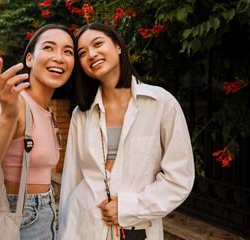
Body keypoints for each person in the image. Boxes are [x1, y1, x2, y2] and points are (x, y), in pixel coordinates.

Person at [58, 22, 195, 240]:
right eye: (82, 53)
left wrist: (130, 207)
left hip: (137, 228)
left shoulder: (161, 104)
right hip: (83, 226)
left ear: (118, 46)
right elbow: (71, 181)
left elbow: (179, 178)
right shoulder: (81, 114)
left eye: (98, 44)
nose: (91, 54)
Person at [0, 24, 75, 240]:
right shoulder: (15, 104)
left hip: (44, 212)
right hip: (18, 217)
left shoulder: (46, 111)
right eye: (49, 48)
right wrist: (8, 116)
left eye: (68, 51)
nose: (59, 57)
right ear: (29, 59)